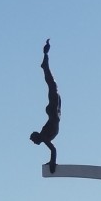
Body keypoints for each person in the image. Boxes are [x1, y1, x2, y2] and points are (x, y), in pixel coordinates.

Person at [30, 39, 61, 172]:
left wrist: (52, 164)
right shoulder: (44, 136)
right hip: (53, 113)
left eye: (33, 140)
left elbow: (53, 149)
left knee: (52, 86)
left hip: (54, 112)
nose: (34, 143)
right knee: (52, 86)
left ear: (37, 136)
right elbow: (52, 149)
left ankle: (45, 63)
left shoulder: (44, 137)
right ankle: (45, 64)